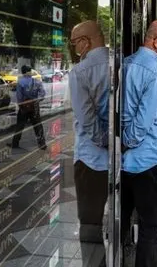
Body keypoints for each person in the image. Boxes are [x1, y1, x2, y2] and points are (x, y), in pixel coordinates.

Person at [121, 19, 157, 267]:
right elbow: (145, 119)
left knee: (121, 223)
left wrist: (122, 147)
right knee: (151, 228)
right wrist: (128, 142)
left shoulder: (125, 64)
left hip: (125, 162)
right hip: (151, 161)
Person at [69, 21, 109, 267]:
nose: (74, 48)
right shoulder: (120, 64)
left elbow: (86, 118)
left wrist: (104, 142)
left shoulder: (80, 71)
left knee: (90, 223)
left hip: (90, 160)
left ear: (85, 42)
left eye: (75, 43)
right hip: (121, 160)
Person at [12, 65, 47, 149]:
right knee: (38, 125)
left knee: (20, 126)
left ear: (22, 72)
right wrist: (36, 101)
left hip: (24, 107)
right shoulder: (37, 81)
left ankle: (15, 144)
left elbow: (19, 97)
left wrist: (21, 106)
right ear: (30, 72)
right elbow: (42, 94)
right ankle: (42, 144)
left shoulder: (20, 82)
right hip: (34, 107)